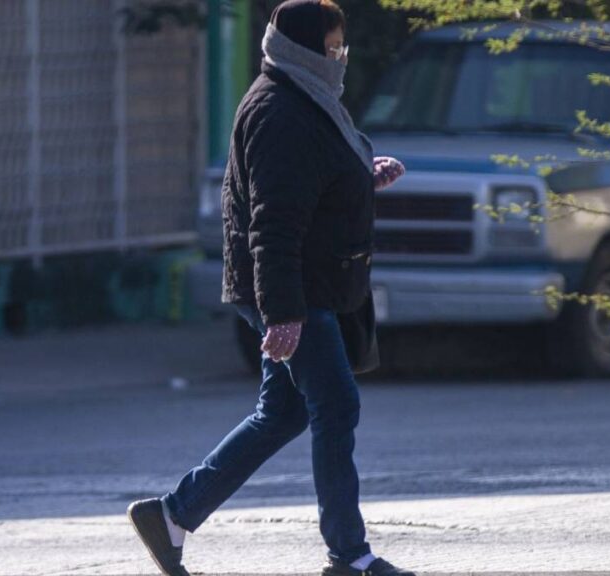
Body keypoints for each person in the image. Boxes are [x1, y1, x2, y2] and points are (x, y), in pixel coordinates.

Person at [126, 1, 411, 575]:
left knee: (282, 414)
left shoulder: (306, 94)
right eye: (332, 48)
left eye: (342, 47)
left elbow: (314, 181)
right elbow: (273, 224)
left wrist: (362, 176)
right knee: (335, 405)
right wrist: (283, 314)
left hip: (306, 285)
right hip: (294, 290)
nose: (340, 58)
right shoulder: (279, 111)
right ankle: (349, 555)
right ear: (304, 49)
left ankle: (173, 516)